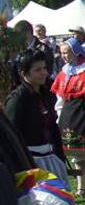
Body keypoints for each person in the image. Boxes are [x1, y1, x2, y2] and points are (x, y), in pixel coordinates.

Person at [52, 37, 85, 197]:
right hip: (68, 115)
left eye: (67, 52)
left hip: (83, 114)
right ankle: (81, 186)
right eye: (62, 53)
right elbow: (60, 97)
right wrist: (59, 113)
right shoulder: (64, 72)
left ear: (75, 52)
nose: (64, 56)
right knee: (75, 152)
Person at [4, 49, 67, 182]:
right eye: (38, 70)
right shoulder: (17, 99)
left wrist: (59, 156)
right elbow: (11, 137)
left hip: (51, 157)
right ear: (24, 73)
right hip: (29, 163)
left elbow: (52, 127)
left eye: (44, 68)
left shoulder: (46, 95)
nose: (44, 73)